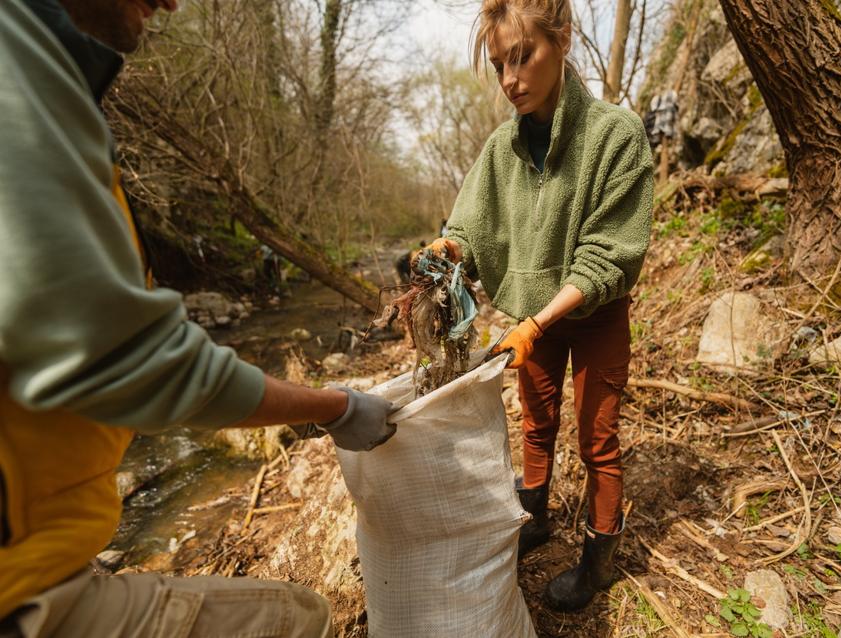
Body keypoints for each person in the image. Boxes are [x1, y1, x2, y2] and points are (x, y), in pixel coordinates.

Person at [0, 1, 395, 636]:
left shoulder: (48, 73)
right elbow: (132, 359)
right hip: (22, 596)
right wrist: (336, 407)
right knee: (297, 620)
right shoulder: (15, 60)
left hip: (45, 564)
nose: (173, 3)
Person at [427, 0, 653, 612]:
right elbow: (472, 229)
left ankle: (598, 564)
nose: (509, 80)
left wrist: (539, 320)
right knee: (536, 421)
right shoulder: (502, 149)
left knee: (598, 439)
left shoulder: (615, 135)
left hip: (594, 313)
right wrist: (446, 249)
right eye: (500, 64)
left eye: (522, 57)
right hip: (534, 319)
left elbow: (609, 256)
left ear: (564, 38)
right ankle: (536, 518)